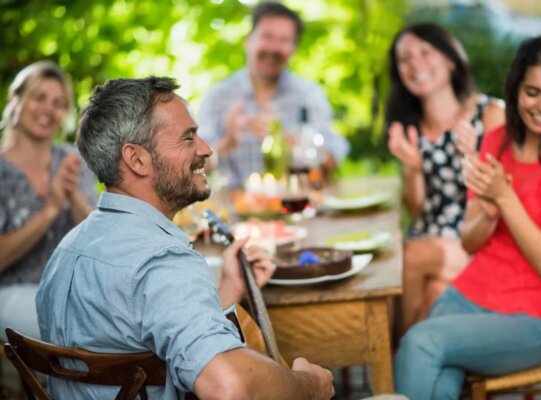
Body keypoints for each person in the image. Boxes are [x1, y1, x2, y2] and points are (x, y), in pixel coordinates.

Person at [36, 76, 335, 399]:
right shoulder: (161, 261)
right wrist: (309, 386)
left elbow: (132, 330)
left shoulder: (66, 252)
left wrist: (228, 291)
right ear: (137, 159)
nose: (206, 149)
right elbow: (229, 388)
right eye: (188, 138)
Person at [393, 36, 541, 399]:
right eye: (533, 92)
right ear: (516, 91)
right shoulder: (497, 140)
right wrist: (487, 213)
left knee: (420, 342)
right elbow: (470, 242)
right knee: (438, 372)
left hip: (532, 321)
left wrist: (504, 197)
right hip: (468, 294)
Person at [386, 23, 505, 332]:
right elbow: (417, 212)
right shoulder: (411, 128)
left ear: (451, 59)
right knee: (434, 292)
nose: (416, 65)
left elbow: (502, 193)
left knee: (409, 255)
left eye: (426, 52)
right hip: (427, 243)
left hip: (475, 239)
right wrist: (412, 167)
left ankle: (397, 352)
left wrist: (471, 156)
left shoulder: (489, 113)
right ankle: (411, 363)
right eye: (405, 59)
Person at [196, 1, 349, 187]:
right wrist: (227, 141)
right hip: (234, 211)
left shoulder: (309, 95)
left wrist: (287, 141)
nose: (273, 48)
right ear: (248, 41)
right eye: (267, 36)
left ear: (294, 48)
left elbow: (332, 163)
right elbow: (194, 169)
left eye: (284, 40)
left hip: (296, 205)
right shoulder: (218, 96)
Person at [0, 61, 97, 340]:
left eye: (58, 102)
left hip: (76, 291)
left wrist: (73, 194)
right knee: (77, 332)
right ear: (15, 99)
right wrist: (51, 209)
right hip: (14, 291)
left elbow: (99, 237)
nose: (48, 109)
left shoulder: (73, 159)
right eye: (39, 97)